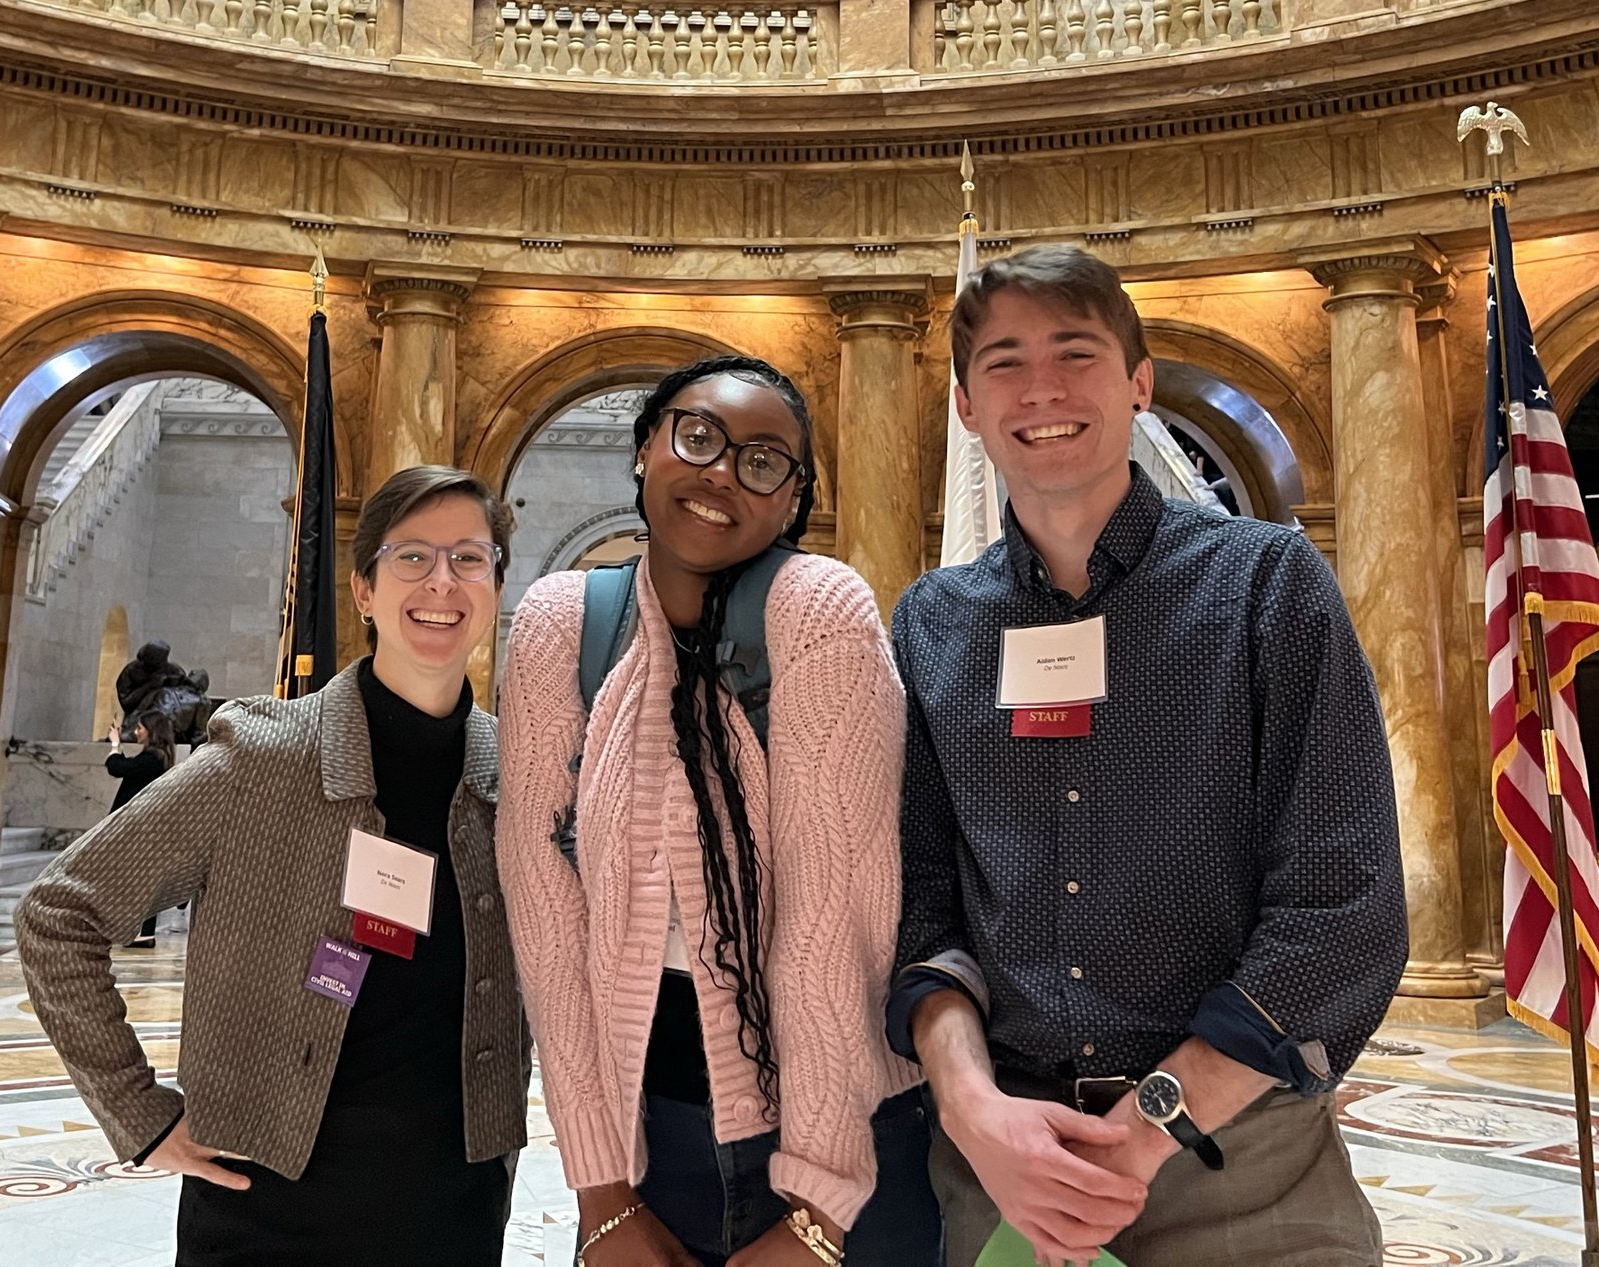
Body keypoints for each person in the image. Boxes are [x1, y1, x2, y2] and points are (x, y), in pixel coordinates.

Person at [888, 244, 1409, 1267]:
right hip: (1003, 1168)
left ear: (1137, 383)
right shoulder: (931, 624)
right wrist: (971, 1107)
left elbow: (1341, 903)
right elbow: (917, 896)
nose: (1040, 388)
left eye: (1074, 353)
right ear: (963, 404)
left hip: (1236, 1168)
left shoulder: (1263, 585)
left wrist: (1143, 1131)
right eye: (1002, 362)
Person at [18, 466, 528, 1267]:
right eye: (412, 557)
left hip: (453, 1203)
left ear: (497, 584)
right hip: (268, 1207)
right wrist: (138, 1111)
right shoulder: (261, 757)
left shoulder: (515, 771)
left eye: (470, 557)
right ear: (363, 589)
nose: (443, 582)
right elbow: (58, 913)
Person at [498, 356, 939, 1267]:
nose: (720, 472)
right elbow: (546, 915)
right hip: (646, 1139)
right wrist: (603, 1194)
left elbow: (834, 912)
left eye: (763, 461)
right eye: (697, 436)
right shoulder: (556, 623)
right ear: (644, 449)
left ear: (793, 503)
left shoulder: (819, 608)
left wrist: (818, 1208)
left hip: (844, 1139)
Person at [104, 709, 178, 948]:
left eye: (140, 728)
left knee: (136, 881)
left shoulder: (153, 759)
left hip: (140, 829)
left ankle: (141, 932)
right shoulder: (157, 757)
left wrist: (115, 745)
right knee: (139, 880)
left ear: (151, 731)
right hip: (144, 828)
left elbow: (118, 767)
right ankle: (138, 931)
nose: (136, 732)